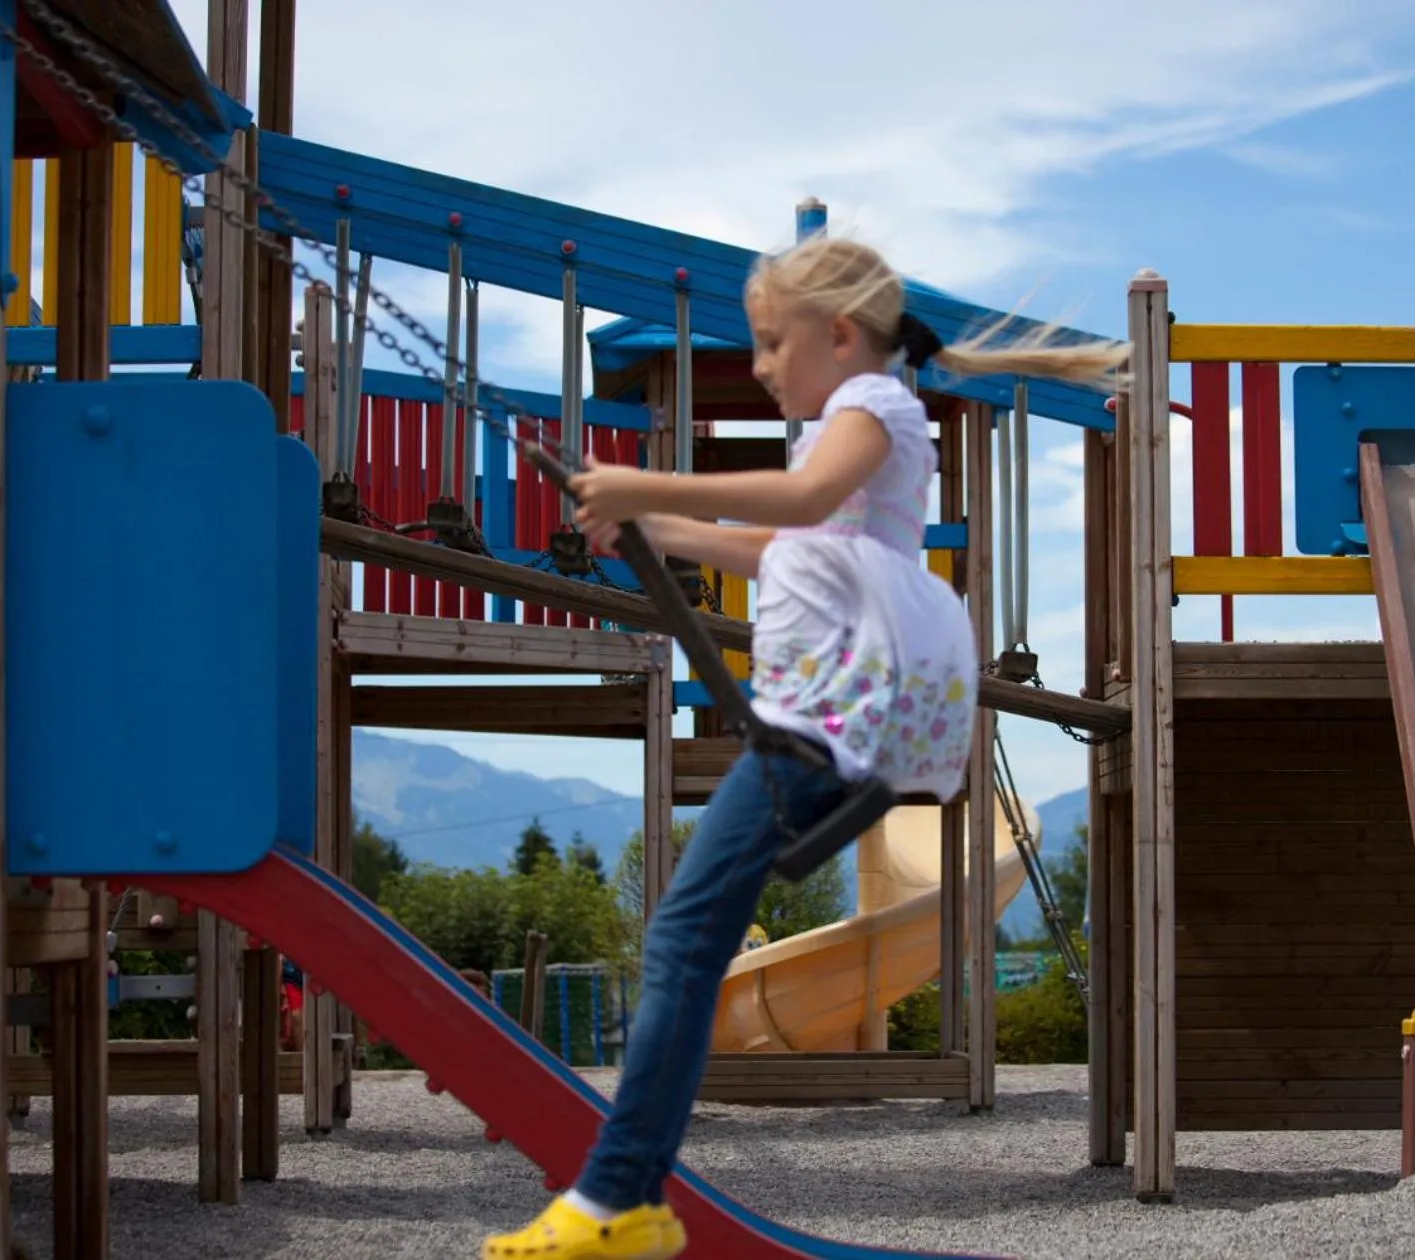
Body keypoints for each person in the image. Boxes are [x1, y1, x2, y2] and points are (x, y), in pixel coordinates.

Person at [481, 235, 1128, 1260]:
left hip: (842, 706)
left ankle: (618, 1202)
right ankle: (624, 1196)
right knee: (690, 942)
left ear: (838, 333)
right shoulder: (853, 422)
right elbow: (790, 541)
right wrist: (655, 530)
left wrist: (648, 489)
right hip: (851, 712)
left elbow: (804, 506)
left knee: (685, 944)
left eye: (775, 344)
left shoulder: (869, 409)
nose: (766, 365)